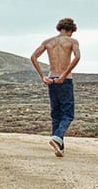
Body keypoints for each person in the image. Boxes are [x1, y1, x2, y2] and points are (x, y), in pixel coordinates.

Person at [30, 18, 81, 157]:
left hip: (51, 78)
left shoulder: (48, 42)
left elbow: (33, 57)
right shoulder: (72, 41)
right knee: (68, 114)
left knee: (56, 114)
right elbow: (77, 57)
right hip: (64, 80)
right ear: (70, 30)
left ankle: (59, 146)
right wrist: (64, 75)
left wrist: (43, 76)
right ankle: (57, 137)